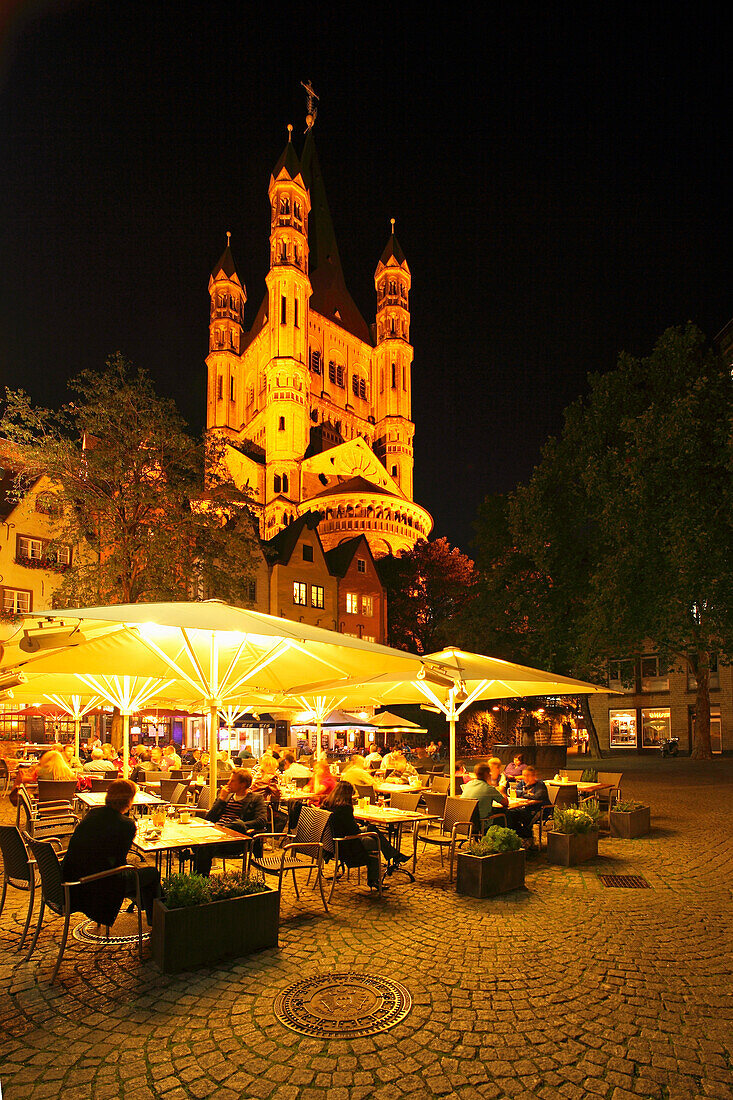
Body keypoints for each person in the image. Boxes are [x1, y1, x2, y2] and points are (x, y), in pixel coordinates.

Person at [61, 778, 161, 925]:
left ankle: (153, 912)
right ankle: (159, 920)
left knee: (144, 879)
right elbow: (119, 863)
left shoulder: (93, 814)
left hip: (73, 877)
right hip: (98, 883)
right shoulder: (126, 825)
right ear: (129, 800)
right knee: (152, 874)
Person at [322, 781, 408, 889]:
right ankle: (374, 879)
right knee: (374, 840)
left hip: (334, 840)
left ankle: (394, 854)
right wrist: (355, 824)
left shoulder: (327, 804)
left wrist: (355, 825)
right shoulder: (344, 808)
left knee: (372, 828)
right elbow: (355, 831)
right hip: (346, 842)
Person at [193, 769, 268, 876]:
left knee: (237, 824)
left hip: (236, 840)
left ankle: (199, 881)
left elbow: (261, 821)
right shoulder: (227, 796)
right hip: (216, 836)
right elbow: (209, 819)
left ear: (243, 784)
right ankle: (199, 881)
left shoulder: (256, 798)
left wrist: (238, 827)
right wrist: (221, 800)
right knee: (202, 846)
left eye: (232, 781)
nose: (228, 783)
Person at [506, 766, 550, 847]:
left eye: (528, 775)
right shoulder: (522, 783)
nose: (525, 778)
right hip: (525, 807)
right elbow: (515, 792)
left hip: (539, 809)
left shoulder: (540, 785)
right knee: (509, 814)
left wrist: (523, 794)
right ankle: (519, 838)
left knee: (525, 818)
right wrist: (526, 794)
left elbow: (538, 796)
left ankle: (528, 839)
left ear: (534, 776)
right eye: (524, 775)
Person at [462, 763, 508, 829]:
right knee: (506, 815)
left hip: (465, 822)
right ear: (487, 774)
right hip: (481, 823)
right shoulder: (489, 788)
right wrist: (502, 791)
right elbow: (505, 803)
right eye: (489, 773)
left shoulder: (469, 784)